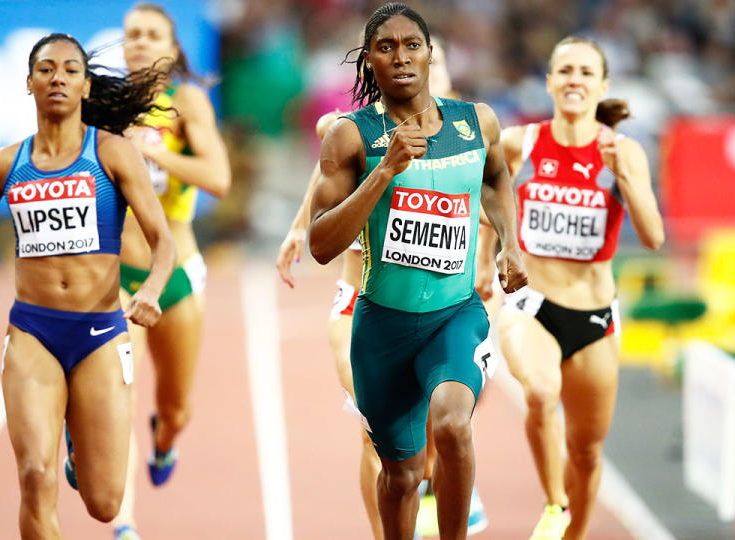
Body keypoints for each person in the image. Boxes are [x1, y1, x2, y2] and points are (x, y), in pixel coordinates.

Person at [0, 33, 175, 538]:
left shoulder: (112, 154)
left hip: (100, 332)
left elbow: (163, 243)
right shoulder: (4, 165)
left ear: (87, 86)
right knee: (33, 475)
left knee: (105, 502)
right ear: (29, 83)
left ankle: (79, 443)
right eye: (46, 70)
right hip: (33, 331)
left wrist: (153, 289)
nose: (58, 78)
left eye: (71, 70)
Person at [309, 3, 528, 539]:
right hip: (382, 327)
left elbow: (498, 178)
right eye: (386, 47)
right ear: (368, 62)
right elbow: (320, 242)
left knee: (452, 425)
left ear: (431, 54)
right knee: (403, 475)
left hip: (455, 315)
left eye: (412, 45)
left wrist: (508, 246)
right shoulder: (349, 136)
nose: (401, 57)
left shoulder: (475, 122)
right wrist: (384, 171)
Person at [276, 37, 488, 540]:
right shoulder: (354, 129)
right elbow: (325, 170)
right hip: (361, 306)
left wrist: (488, 255)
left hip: (442, 305)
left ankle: (444, 481)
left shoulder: (462, 130)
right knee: (379, 441)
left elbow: (484, 199)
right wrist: (298, 228)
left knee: (443, 418)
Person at [62, 3, 231, 539]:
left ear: (173, 47)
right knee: (117, 394)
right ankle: (125, 524)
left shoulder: (185, 102)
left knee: (175, 405)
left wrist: (146, 153)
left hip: (176, 272)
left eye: (152, 33)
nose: (138, 41)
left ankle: (166, 438)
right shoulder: (101, 102)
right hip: (112, 275)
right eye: (131, 33)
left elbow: (219, 178)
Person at [489, 35, 664, 540]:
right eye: (564, 71)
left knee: (587, 452)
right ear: (548, 81)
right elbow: (484, 193)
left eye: (586, 73)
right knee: (541, 394)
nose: (574, 81)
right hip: (531, 306)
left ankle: (573, 533)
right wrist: (488, 256)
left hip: (594, 319)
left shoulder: (625, 152)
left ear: (603, 85)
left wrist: (623, 176)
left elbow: (653, 237)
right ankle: (554, 505)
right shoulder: (523, 142)